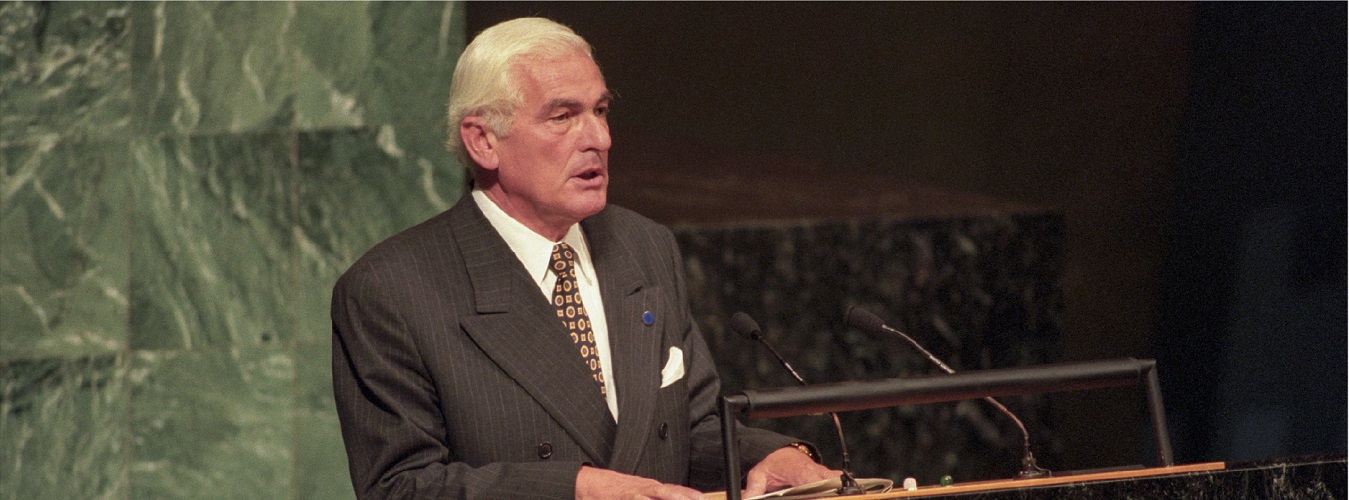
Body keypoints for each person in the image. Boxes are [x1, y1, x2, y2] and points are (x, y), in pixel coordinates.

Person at [330, 17, 837, 499]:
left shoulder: (644, 245)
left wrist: (769, 456)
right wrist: (574, 488)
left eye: (600, 110)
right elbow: (400, 488)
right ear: (483, 141)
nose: (599, 138)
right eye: (563, 116)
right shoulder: (391, 290)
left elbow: (688, 428)